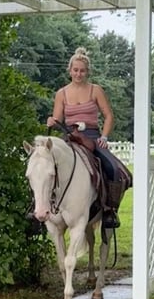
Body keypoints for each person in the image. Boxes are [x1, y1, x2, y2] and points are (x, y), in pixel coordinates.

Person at [46, 47, 131, 229]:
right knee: (46, 166)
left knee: (113, 168)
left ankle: (110, 210)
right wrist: (51, 121)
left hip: (92, 136)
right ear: (70, 70)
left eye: (82, 70)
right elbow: (57, 119)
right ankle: (44, 207)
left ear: (87, 72)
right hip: (69, 137)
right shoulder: (61, 93)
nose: (78, 74)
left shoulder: (96, 90)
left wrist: (104, 137)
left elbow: (109, 115)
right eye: (75, 70)